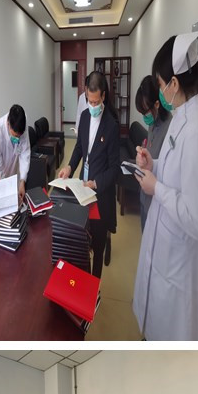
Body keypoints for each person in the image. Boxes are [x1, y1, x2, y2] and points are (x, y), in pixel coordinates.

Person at [132, 32, 198, 341]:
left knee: (170, 333)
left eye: (160, 83)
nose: (160, 90)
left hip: (180, 263)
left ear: (173, 83)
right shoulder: (181, 116)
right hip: (164, 249)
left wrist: (156, 188)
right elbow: (176, 172)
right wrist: (153, 165)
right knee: (153, 324)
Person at [58, 71, 120, 278]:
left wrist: (96, 183)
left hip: (100, 194)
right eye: (89, 101)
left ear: (103, 96)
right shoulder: (84, 117)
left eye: (96, 102)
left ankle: (94, 287)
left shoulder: (111, 125)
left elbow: (115, 168)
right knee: (82, 241)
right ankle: (83, 284)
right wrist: (69, 167)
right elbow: (79, 148)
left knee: (98, 246)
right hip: (83, 191)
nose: (92, 106)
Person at [135, 75, 172, 232]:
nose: (145, 117)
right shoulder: (153, 123)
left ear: (157, 104)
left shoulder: (170, 128)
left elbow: (167, 169)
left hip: (157, 198)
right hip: (145, 193)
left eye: (145, 112)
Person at [0, 104, 31, 204]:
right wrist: (5, 185)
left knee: (17, 200)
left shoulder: (23, 123)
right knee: (3, 202)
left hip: (14, 168)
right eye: (14, 135)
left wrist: (22, 181)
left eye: (19, 136)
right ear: (8, 124)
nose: (17, 138)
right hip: (0, 172)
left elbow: (25, 153)